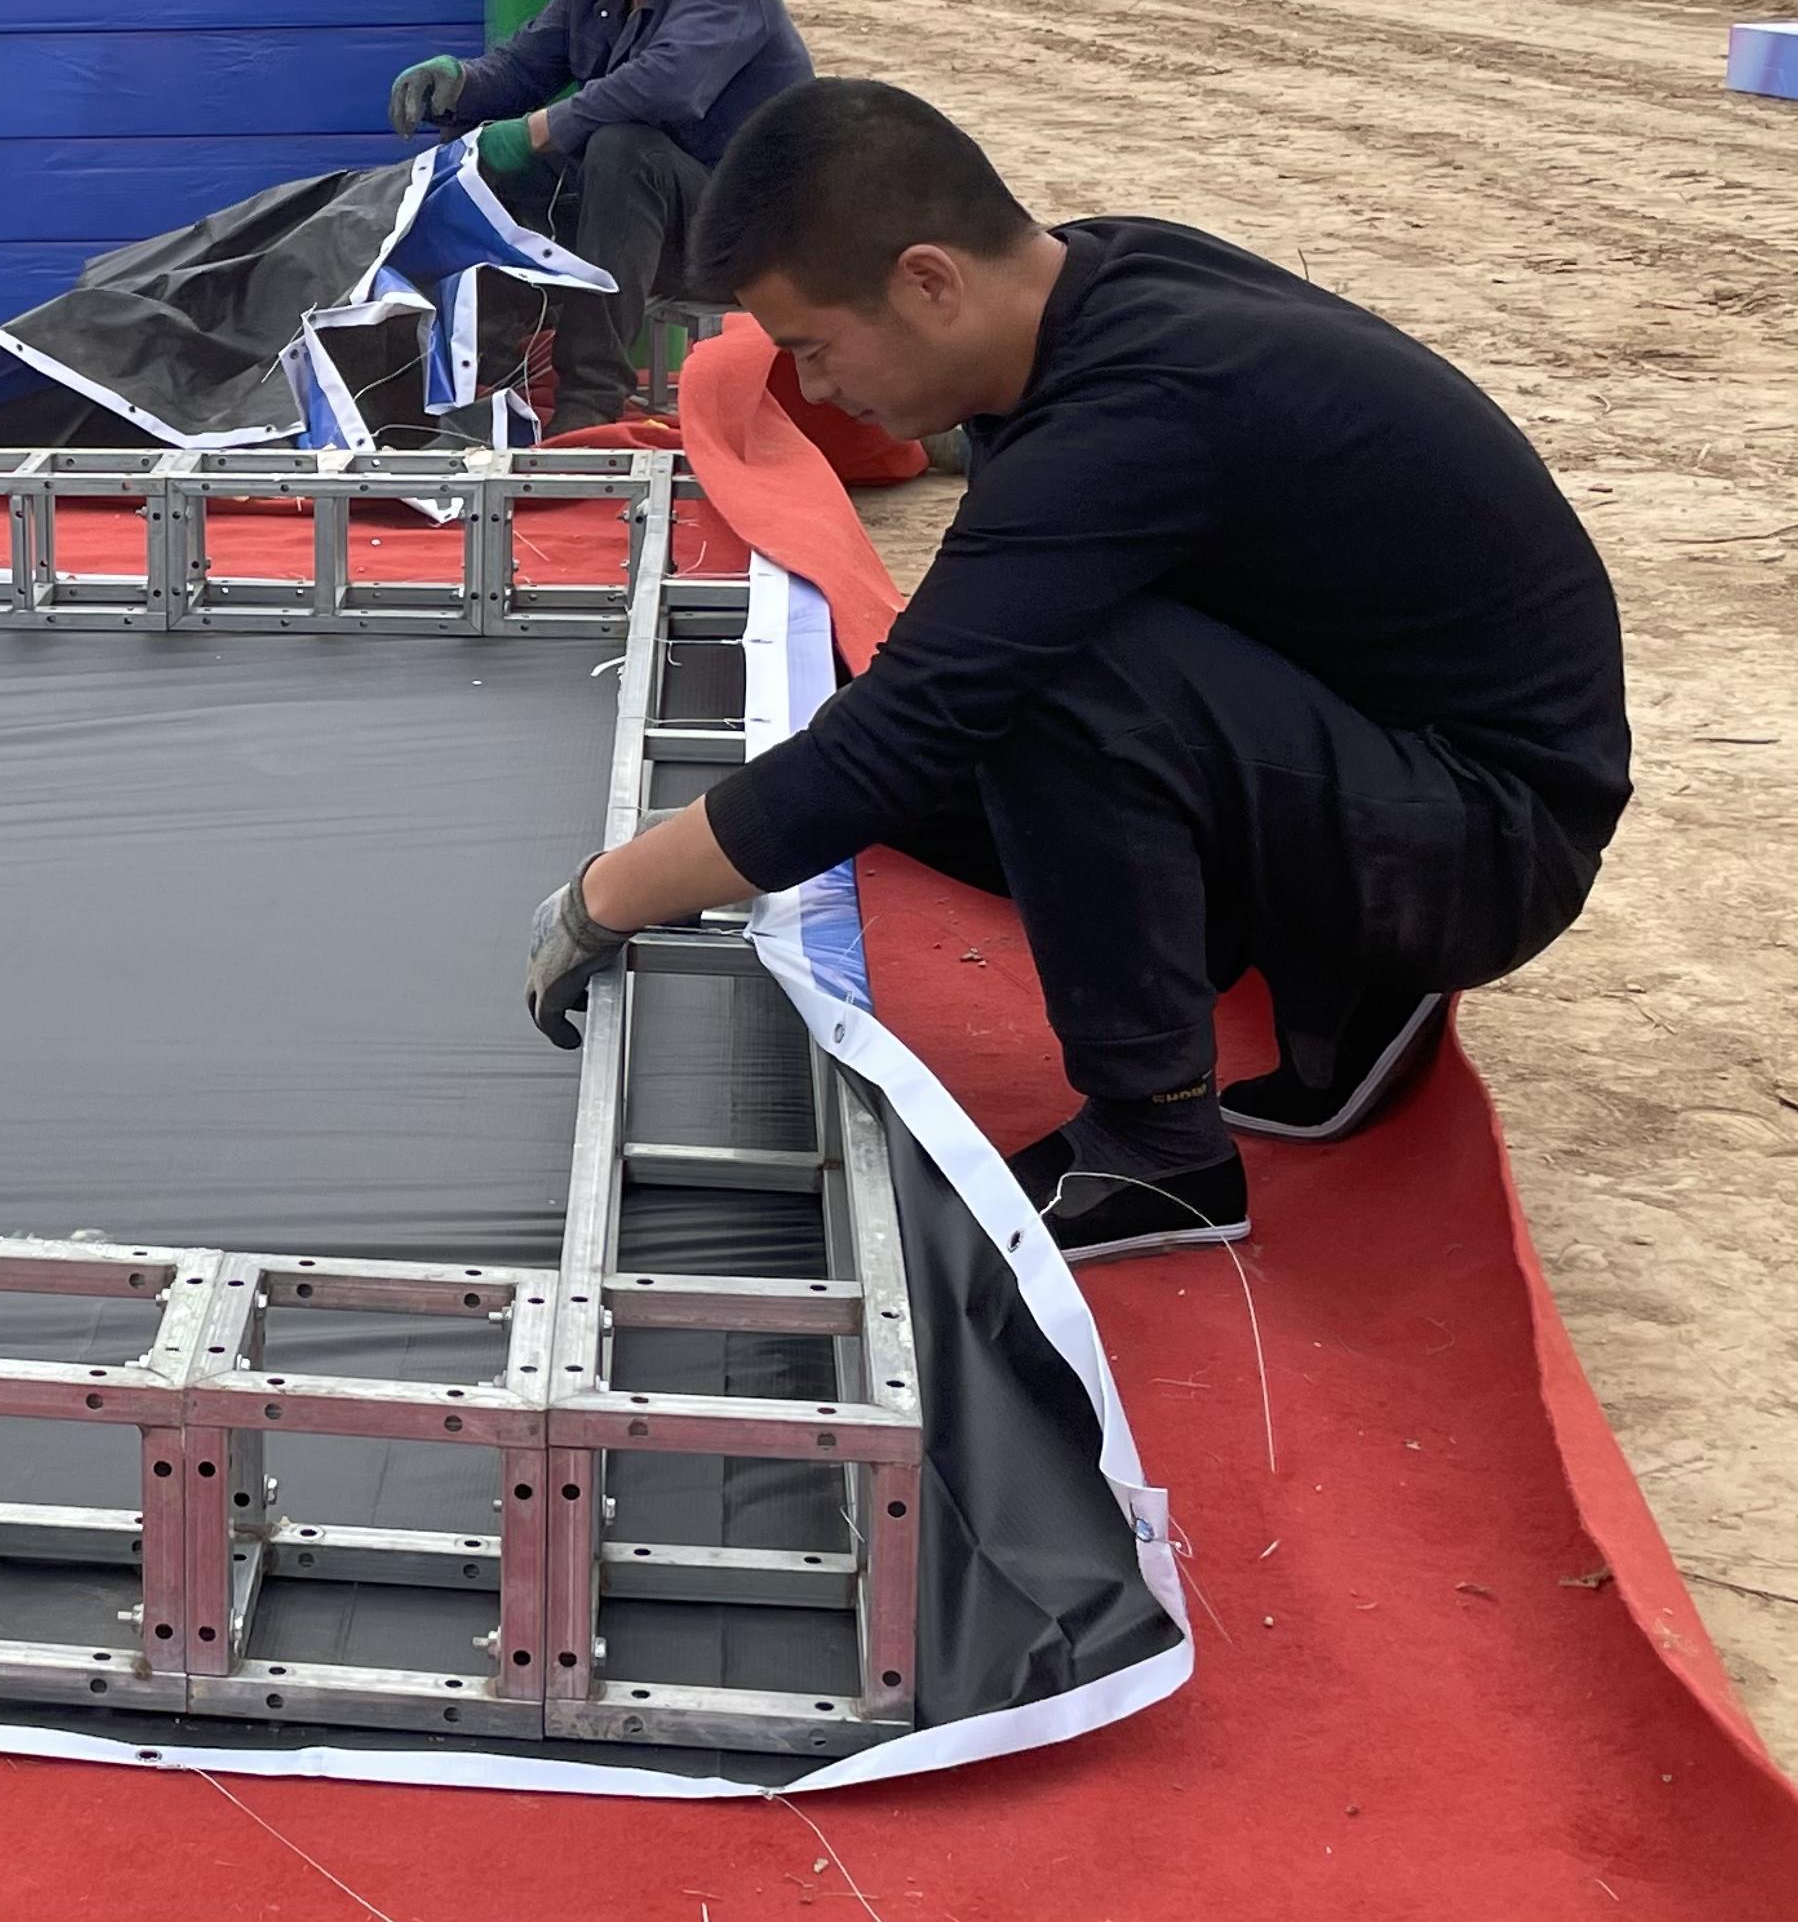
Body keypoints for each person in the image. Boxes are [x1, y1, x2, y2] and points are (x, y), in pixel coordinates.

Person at [522, 80, 1630, 1263]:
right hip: (1413, 751)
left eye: (815, 350)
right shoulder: (1087, 286)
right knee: (930, 738)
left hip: (1493, 845)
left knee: (1043, 691)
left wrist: (605, 898)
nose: (822, 391)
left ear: (929, 282)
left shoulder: (1137, 406)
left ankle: (1158, 1146)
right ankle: (1346, 982)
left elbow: (915, 724)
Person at [387, 0, 813, 416]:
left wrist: (537, 130)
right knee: (482, 165)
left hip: (739, 234)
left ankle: (590, 399)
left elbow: (665, 85)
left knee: (620, 148)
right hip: (640, 221)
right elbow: (525, 66)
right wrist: (458, 84)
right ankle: (472, 376)